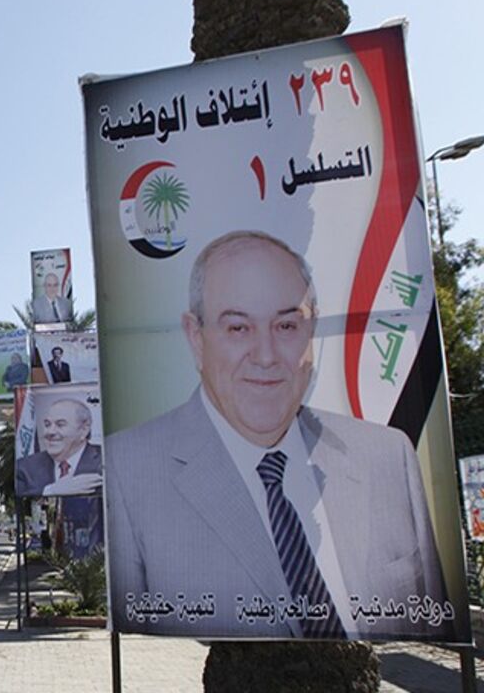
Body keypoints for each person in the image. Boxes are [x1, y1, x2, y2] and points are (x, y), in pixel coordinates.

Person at [106, 230, 448, 639]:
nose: (266, 356)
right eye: (237, 328)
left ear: (312, 331)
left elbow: (434, 624)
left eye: (287, 325)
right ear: (196, 337)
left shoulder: (387, 456)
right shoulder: (128, 469)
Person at [15, 397, 103, 500]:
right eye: (47, 425)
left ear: (84, 430)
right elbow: (18, 501)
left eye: (60, 424)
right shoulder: (24, 468)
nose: (50, 432)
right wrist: (50, 490)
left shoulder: (105, 459)